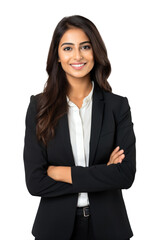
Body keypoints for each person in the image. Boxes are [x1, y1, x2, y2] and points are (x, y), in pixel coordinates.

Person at [23, 15, 136, 240]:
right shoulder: (39, 107)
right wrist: (103, 173)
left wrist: (60, 172)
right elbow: (36, 183)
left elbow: (125, 175)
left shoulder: (117, 106)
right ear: (57, 56)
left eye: (85, 46)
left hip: (109, 228)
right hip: (54, 228)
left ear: (95, 51)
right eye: (67, 48)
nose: (77, 56)